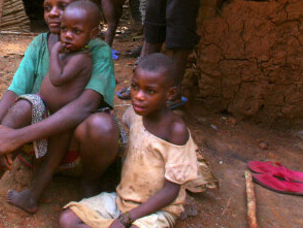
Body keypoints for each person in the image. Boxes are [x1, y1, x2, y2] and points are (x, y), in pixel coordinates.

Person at [0, 0, 123, 228]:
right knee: (22, 106)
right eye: (47, 7)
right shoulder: (39, 44)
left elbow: (85, 107)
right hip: (38, 143)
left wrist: (16, 136)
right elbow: (16, 89)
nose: (53, 13)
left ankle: (89, 182)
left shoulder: (97, 51)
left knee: (103, 125)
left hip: (77, 138)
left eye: (62, 6)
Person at [59, 54, 200, 228]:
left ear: (170, 93)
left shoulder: (175, 131)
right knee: (67, 220)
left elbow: (171, 191)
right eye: (135, 87)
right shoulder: (133, 115)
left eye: (150, 91)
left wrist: (127, 218)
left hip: (158, 210)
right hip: (123, 199)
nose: (139, 96)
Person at [7, 0, 101, 212]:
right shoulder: (72, 53)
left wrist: (56, 52)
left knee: (50, 160)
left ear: (92, 34)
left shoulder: (81, 59)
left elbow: (57, 78)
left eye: (76, 31)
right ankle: (32, 195)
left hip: (62, 120)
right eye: (65, 29)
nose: (67, 35)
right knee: (44, 157)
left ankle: (32, 196)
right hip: (50, 113)